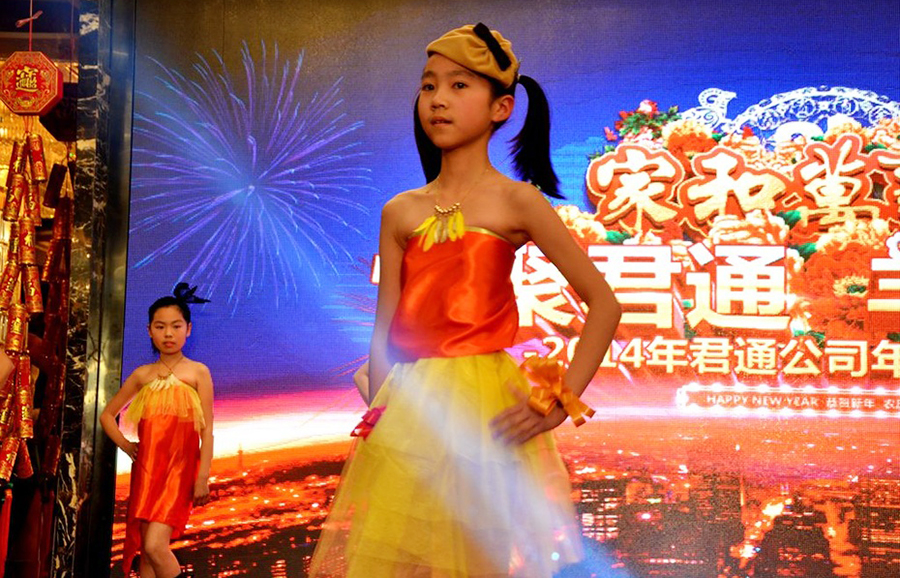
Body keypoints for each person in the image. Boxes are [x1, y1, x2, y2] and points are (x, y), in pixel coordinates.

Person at [310, 23, 621, 577]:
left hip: (486, 407)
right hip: (412, 409)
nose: (438, 100)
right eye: (428, 86)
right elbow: (384, 332)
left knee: (477, 562)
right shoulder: (400, 210)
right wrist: (383, 412)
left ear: (502, 108)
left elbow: (604, 304)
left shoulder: (517, 201)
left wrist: (560, 401)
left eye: (458, 86)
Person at [100, 283, 214, 578]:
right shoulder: (142, 375)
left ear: (188, 329)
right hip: (147, 470)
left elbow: (207, 430)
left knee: (154, 546)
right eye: (160, 327)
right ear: (149, 330)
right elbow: (107, 416)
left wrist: (202, 477)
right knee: (146, 555)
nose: (168, 334)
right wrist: (127, 446)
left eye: (176, 326)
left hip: (180, 471)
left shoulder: (198, 372)